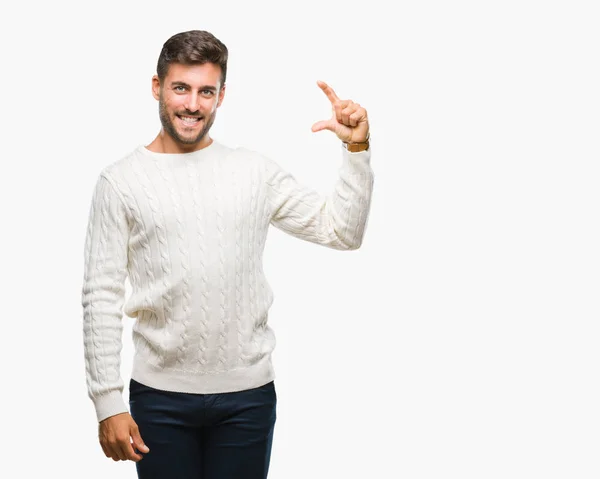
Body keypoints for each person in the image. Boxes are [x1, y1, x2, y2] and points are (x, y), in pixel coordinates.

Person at [81, 29, 374, 479]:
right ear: (157, 87)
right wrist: (107, 402)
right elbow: (100, 295)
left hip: (248, 399)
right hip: (159, 399)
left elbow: (342, 232)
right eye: (180, 88)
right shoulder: (120, 181)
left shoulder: (253, 171)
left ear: (221, 95)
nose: (192, 104)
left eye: (206, 91)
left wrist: (355, 148)